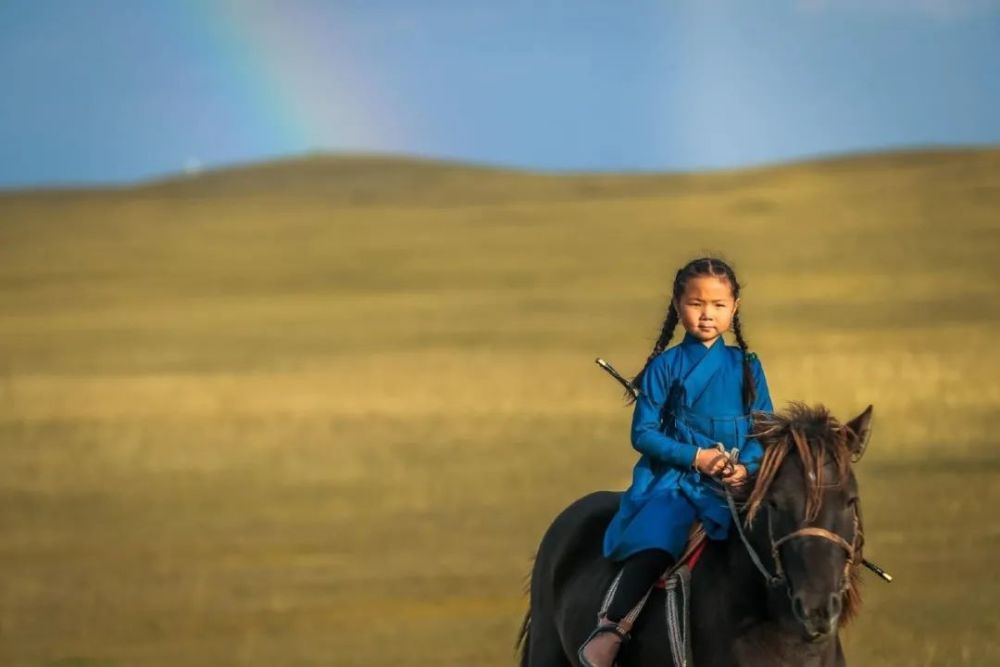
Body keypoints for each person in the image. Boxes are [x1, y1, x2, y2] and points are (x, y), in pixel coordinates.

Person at [578, 257, 774, 667]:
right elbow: (643, 434)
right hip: (677, 482)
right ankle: (612, 627)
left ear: (734, 307)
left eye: (718, 305)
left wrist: (746, 467)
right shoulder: (664, 367)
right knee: (659, 541)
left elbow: (764, 430)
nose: (707, 314)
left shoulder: (748, 367)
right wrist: (696, 457)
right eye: (696, 303)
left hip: (735, 482)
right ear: (677, 304)